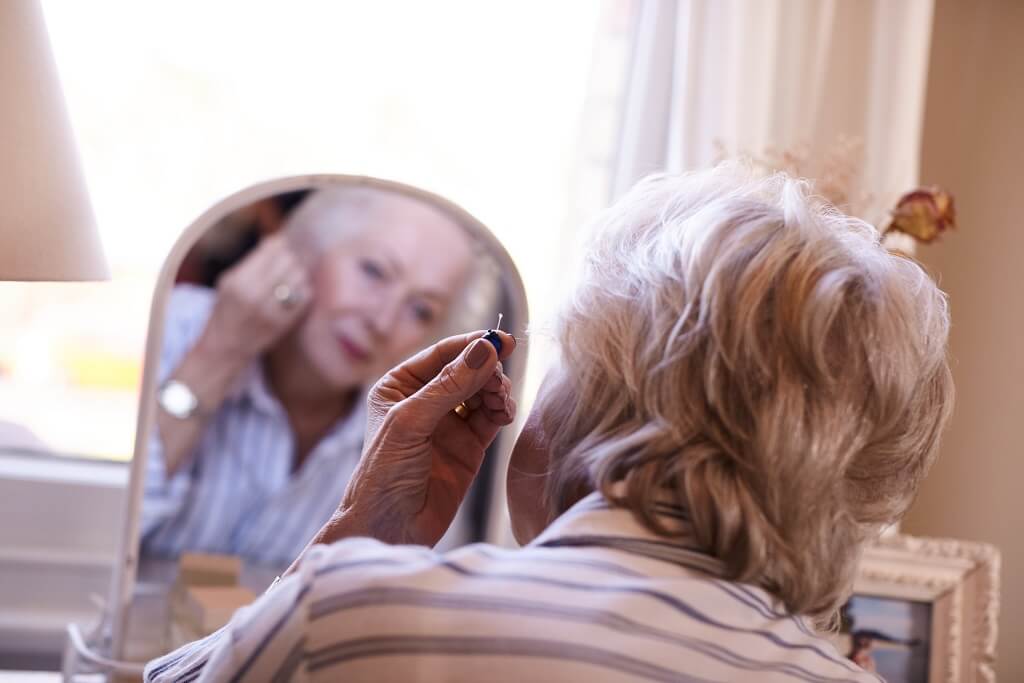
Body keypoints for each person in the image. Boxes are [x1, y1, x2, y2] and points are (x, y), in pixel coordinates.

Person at [145, 165, 953, 681]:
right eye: (372, 270)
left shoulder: (353, 617)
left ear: (597, 399)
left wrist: (356, 536)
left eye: (563, 359)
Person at [141, 187, 482, 567]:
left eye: (420, 310)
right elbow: (102, 530)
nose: (382, 322)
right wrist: (218, 354)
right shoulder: (174, 327)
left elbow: (419, 592)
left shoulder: (415, 437)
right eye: (374, 271)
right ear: (299, 252)